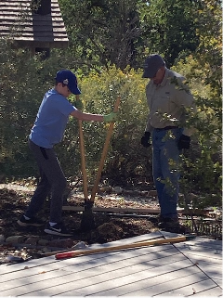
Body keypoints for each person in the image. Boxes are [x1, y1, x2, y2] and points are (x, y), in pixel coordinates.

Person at [17, 69, 117, 236]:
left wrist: (71, 105)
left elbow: (69, 110)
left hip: (39, 142)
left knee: (47, 182)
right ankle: (54, 224)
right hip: (42, 144)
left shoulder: (52, 95)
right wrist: (104, 118)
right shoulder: (57, 99)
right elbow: (79, 116)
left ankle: (28, 217)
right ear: (59, 85)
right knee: (60, 182)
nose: (70, 93)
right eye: (68, 89)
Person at [141, 54, 196, 232]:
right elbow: (153, 112)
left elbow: (192, 110)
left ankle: (171, 217)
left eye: (153, 73)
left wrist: (186, 134)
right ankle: (165, 214)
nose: (151, 77)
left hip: (172, 135)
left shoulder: (177, 83)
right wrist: (147, 131)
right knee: (158, 176)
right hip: (156, 134)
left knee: (170, 176)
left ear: (162, 68)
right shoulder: (151, 86)